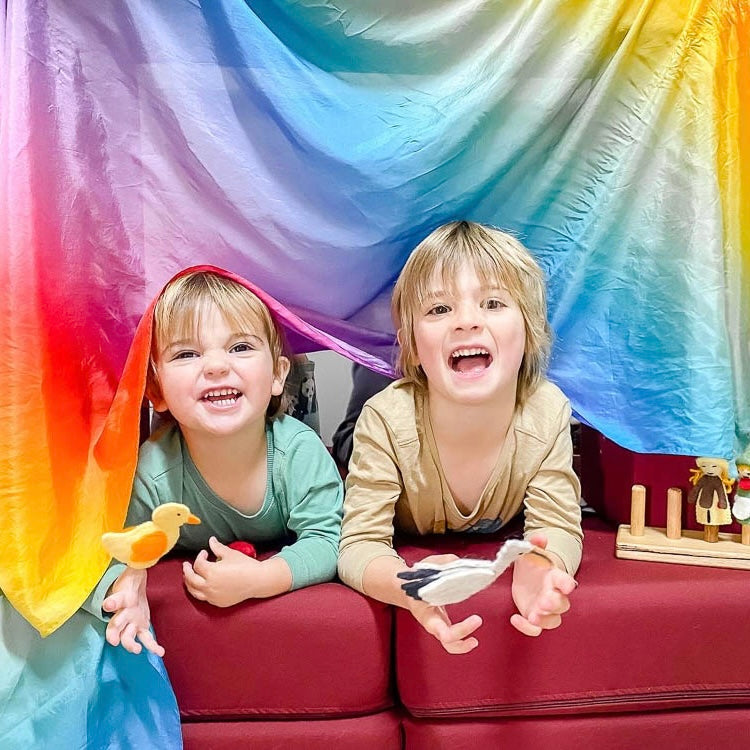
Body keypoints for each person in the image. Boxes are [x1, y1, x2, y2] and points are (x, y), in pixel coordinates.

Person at [338, 221, 583, 655]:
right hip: (383, 431)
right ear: (413, 345)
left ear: (529, 334)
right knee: (349, 438)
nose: (467, 322)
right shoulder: (385, 420)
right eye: (438, 310)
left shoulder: (547, 412)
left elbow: (557, 524)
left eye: (492, 303)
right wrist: (407, 585)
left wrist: (541, 566)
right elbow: (359, 545)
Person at [100, 269, 343, 655]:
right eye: (187, 354)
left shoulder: (299, 451)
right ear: (157, 391)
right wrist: (125, 583)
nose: (215, 366)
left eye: (240, 348)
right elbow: (111, 547)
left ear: (279, 374)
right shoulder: (154, 473)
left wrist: (262, 578)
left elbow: (328, 540)